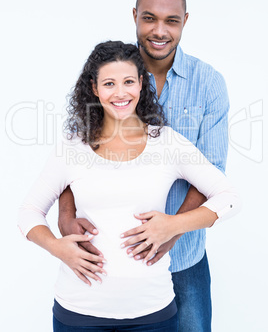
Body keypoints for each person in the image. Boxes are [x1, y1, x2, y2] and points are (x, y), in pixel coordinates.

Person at [18, 41, 241, 332]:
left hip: (153, 313)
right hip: (78, 311)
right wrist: (57, 247)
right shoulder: (72, 148)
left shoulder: (167, 143)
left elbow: (229, 198)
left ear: (141, 85)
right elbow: (29, 211)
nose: (120, 93)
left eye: (128, 82)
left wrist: (174, 224)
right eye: (109, 83)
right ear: (94, 88)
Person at [58, 0, 231, 331]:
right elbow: (71, 155)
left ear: (185, 21)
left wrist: (172, 231)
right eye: (149, 18)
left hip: (184, 258)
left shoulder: (209, 83)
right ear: (135, 16)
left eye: (171, 21)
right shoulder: (111, 73)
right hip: (109, 265)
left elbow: (213, 174)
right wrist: (64, 217)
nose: (159, 30)